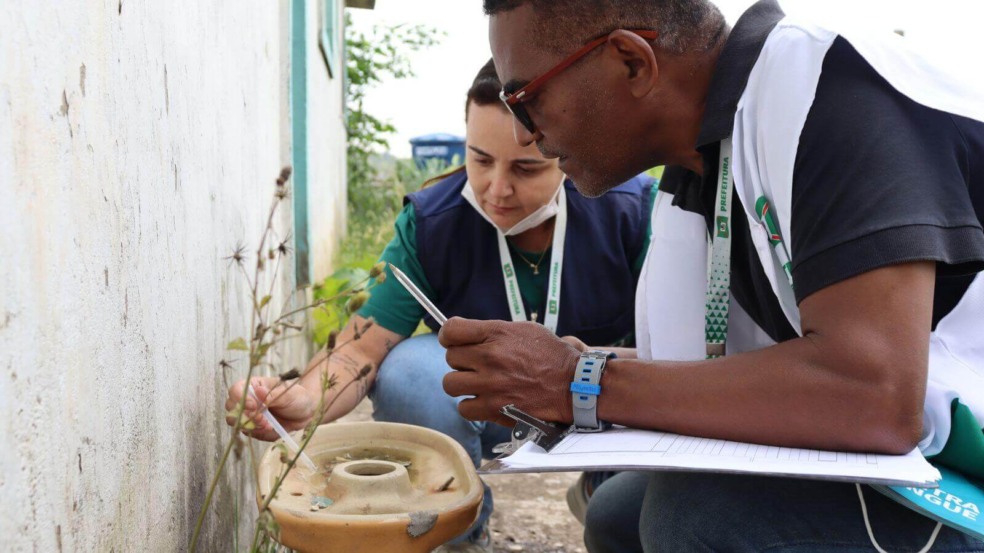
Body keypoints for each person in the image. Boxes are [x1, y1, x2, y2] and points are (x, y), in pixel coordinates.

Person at [438, 1, 984, 551]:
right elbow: (719, 368)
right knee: (618, 514)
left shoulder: (832, 87)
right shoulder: (702, 158)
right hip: (920, 450)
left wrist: (576, 381)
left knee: (698, 517)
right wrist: (565, 367)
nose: (524, 133)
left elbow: (876, 397)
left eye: (526, 99)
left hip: (963, 459)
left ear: (631, 61)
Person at [226, 59, 657, 552]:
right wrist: (304, 401)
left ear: (568, 148)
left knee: (658, 392)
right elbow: (357, 353)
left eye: (527, 167)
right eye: (479, 160)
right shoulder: (431, 223)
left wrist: (580, 371)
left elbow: (684, 358)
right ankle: (461, 529)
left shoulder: (635, 211)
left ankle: (609, 488)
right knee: (408, 370)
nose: (496, 189)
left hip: (603, 408)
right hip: (493, 406)